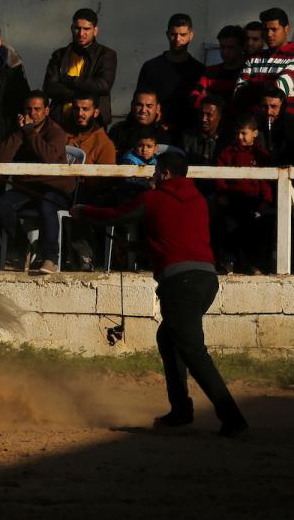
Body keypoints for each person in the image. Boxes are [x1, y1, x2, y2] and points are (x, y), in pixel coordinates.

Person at [71, 151, 249, 438]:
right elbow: (173, 240)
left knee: (192, 350)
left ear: (165, 174)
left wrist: (83, 212)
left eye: (155, 174)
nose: (152, 179)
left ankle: (231, 417)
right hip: (206, 280)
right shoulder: (199, 201)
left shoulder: (153, 198)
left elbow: (117, 215)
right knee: (169, 338)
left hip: (181, 284)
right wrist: (131, 250)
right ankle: (181, 411)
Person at [0, 91, 72, 274]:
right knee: (2, 204)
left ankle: (50, 258)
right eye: (28, 109)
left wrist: (29, 132)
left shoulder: (56, 132)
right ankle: (24, 247)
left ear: (46, 111)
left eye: (37, 109)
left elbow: (50, 158)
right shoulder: (19, 130)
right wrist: (21, 133)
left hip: (55, 188)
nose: (32, 113)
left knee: (46, 206)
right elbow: (1, 158)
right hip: (26, 187)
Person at [214, 113, 273, 274]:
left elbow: (266, 181)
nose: (240, 137)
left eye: (244, 133)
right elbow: (220, 176)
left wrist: (265, 201)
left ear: (255, 133)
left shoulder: (261, 155)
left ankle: (252, 264)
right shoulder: (228, 153)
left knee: (253, 233)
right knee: (229, 229)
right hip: (233, 199)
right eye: (238, 133)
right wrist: (222, 195)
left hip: (254, 201)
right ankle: (228, 263)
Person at [64, 92, 117, 270]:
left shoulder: (104, 143)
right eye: (77, 109)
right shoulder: (63, 135)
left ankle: (85, 257)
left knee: (83, 206)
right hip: (62, 190)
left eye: (85, 109)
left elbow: (106, 182)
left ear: (95, 112)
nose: (80, 113)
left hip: (91, 195)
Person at [43, 8, 117, 127]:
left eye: (86, 29)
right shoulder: (60, 55)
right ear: (72, 29)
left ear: (95, 30)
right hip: (60, 122)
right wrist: (81, 95)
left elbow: (103, 86)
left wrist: (68, 80)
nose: (81, 33)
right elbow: (49, 88)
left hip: (93, 124)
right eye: (77, 28)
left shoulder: (106, 55)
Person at [137, 13, 205, 138]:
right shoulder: (151, 67)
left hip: (187, 135)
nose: (178, 39)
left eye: (183, 35)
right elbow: (139, 101)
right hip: (153, 134)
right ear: (167, 34)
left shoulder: (199, 70)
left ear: (191, 36)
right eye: (174, 34)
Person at [235, 8, 294, 114]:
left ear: (287, 29)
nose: (269, 34)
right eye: (266, 30)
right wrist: (265, 87)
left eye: (274, 29)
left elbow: (278, 91)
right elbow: (238, 94)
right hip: (253, 127)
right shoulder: (253, 59)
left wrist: (251, 87)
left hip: (285, 126)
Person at [190, 25, 246, 110]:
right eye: (222, 47)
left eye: (230, 48)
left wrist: (211, 99)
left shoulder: (249, 73)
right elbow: (194, 96)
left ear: (241, 48)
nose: (225, 52)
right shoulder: (210, 72)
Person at [182, 95, 228, 168]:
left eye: (209, 115)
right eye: (201, 114)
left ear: (219, 116)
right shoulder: (187, 138)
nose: (204, 119)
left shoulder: (228, 140)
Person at [117, 127, 160, 201]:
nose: (144, 150)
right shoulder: (128, 160)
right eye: (140, 146)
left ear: (156, 148)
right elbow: (128, 181)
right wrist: (148, 184)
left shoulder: (157, 160)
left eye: (149, 146)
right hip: (131, 196)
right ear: (135, 145)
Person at [258, 88, 294, 166]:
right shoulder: (255, 124)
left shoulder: (291, 124)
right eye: (265, 106)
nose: (268, 111)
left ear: (282, 107)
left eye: (274, 106)